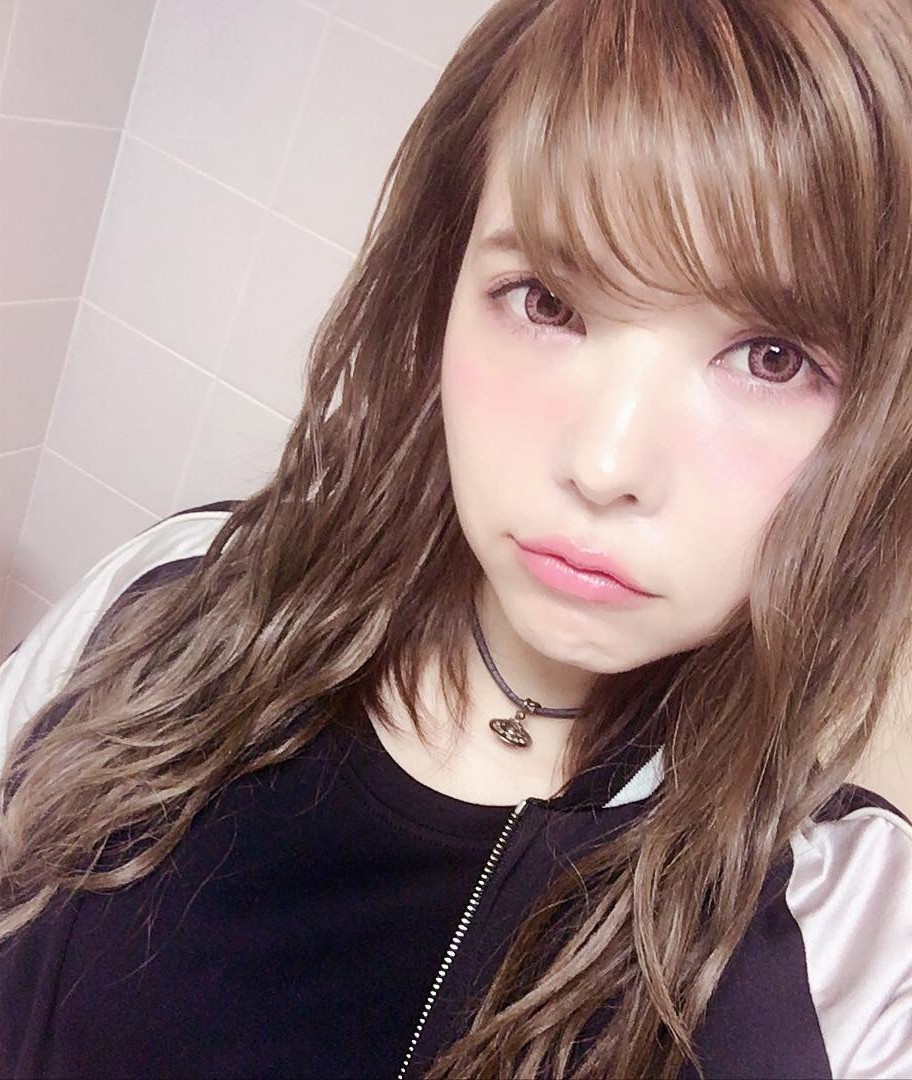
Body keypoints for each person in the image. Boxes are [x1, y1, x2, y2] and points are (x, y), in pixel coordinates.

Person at [1, 0, 910, 1076]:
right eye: (547, 302)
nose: (605, 464)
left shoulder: (854, 937)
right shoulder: (178, 601)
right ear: (442, 287)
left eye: (771, 358)